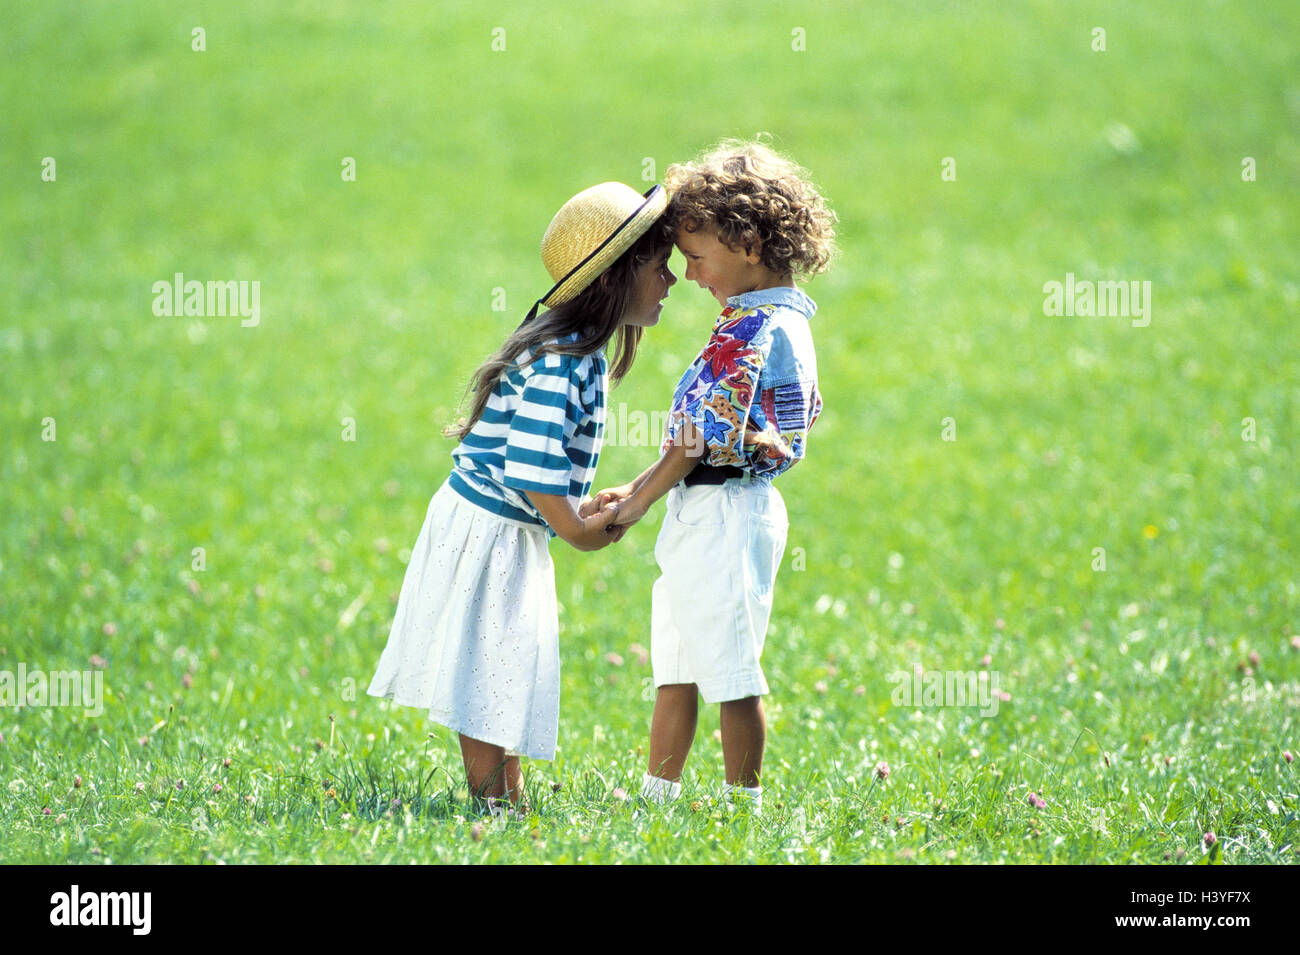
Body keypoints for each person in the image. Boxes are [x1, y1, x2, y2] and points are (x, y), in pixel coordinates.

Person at [368, 182, 675, 812]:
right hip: (491, 530)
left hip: (511, 526)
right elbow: (533, 470)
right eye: (657, 266)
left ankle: (507, 798)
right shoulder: (563, 359)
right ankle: (492, 807)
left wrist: (573, 509)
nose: (671, 280)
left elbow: (544, 467)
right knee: (489, 670)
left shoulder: (579, 353)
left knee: (507, 665)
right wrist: (576, 528)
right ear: (615, 279)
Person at [595, 141, 837, 814]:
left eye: (698, 258)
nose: (692, 275)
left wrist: (639, 498)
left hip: (729, 512)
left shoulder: (761, 328)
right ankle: (657, 796)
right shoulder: (756, 320)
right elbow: (693, 439)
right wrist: (644, 482)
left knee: (731, 669)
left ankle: (742, 809)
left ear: (749, 242)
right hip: (703, 507)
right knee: (676, 661)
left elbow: (705, 433)